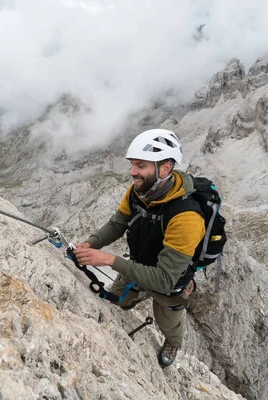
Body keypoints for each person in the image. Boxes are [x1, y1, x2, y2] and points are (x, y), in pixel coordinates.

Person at [73, 128, 205, 368]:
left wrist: (110, 260)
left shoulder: (186, 217)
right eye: (132, 164)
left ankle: (172, 343)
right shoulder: (139, 191)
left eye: (140, 165)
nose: (132, 172)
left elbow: (164, 279)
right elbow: (117, 224)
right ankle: (132, 297)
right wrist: (91, 244)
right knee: (115, 302)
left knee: (169, 324)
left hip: (170, 285)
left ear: (164, 168)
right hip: (136, 267)